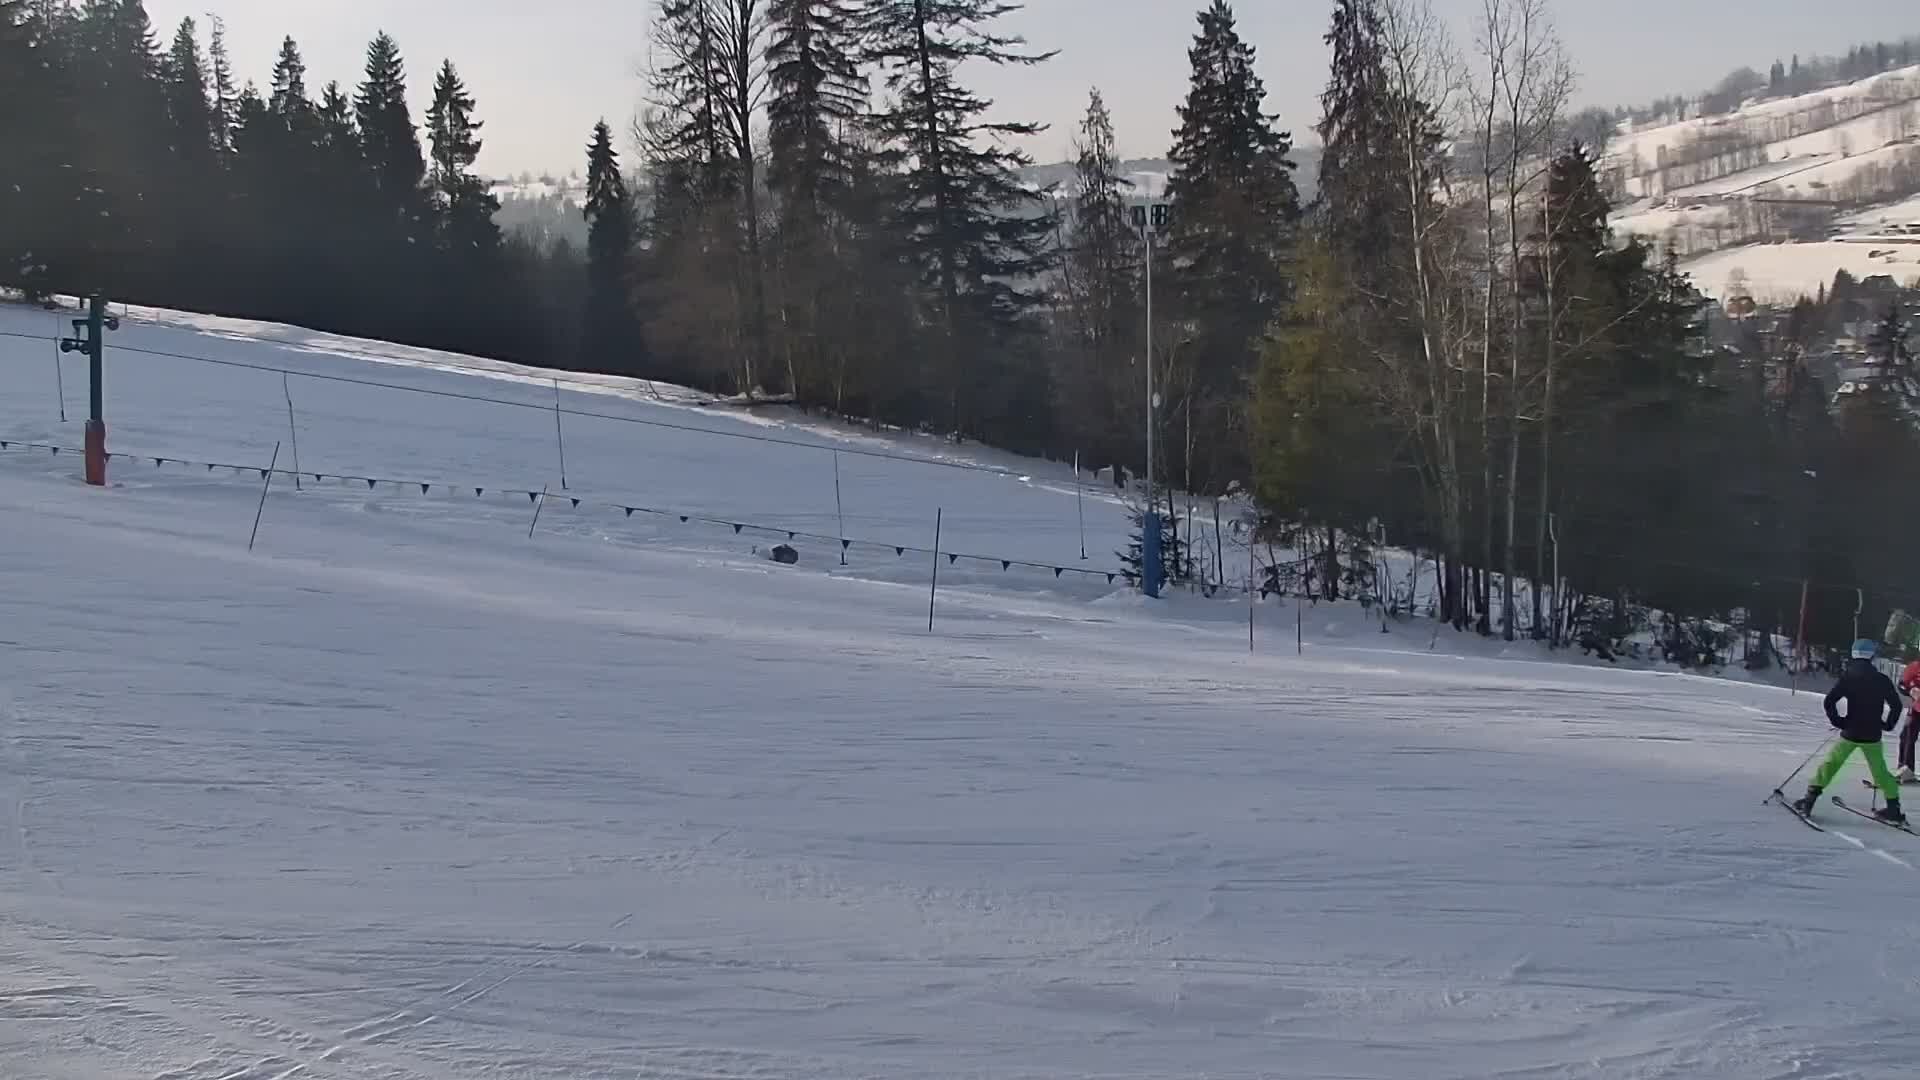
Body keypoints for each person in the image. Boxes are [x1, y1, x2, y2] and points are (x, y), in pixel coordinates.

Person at [1793, 639, 1907, 823]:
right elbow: (1896, 706)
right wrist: (1887, 724)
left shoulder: (1849, 677)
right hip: (1872, 734)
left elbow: (1829, 701)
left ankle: (1809, 800)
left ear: (1854, 655)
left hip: (1851, 731)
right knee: (1880, 772)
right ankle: (1894, 808)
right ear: (1872, 656)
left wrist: (1838, 721)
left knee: (1831, 764)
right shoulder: (1881, 680)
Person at [1899, 655, 1920, 782]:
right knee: (1906, 737)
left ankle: (1906, 770)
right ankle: (1906, 770)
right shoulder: (1914, 667)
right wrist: (1911, 690)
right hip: (1916, 710)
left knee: (1907, 738)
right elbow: (1902, 684)